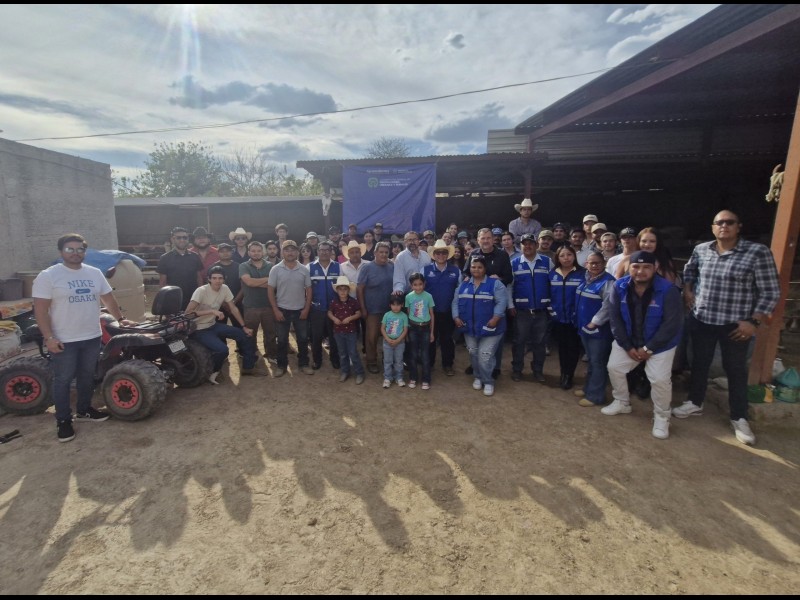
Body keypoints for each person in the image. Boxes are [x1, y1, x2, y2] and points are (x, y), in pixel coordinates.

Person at [672, 210, 780, 445]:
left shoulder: (757, 252)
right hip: (703, 318)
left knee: (735, 370)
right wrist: (688, 291)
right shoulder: (702, 249)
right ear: (713, 227)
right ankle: (695, 402)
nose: (724, 226)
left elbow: (770, 291)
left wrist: (754, 321)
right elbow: (689, 270)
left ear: (738, 226)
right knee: (699, 363)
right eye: (719, 223)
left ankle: (739, 417)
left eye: (729, 222)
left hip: (736, 323)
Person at [33, 233, 128, 442]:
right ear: (61, 251)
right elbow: (40, 310)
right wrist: (49, 337)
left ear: (84, 252)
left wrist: (121, 319)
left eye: (80, 249)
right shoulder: (48, 276)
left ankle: (84, 410)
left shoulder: (94, 273)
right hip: (64, 339)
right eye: (70, 249)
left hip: (92, 336)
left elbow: (108, 298)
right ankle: (63, 420)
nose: (75, 253)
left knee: (87, 376)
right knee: (63, 380)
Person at [601, 251, 683, 439]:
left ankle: (662, 417)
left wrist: (648, 348)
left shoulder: (668, 290)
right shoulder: (619, 286)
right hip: (630, 340)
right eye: (636, 266)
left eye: (646, 267)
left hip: (660, 344)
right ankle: (622, 402)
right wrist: (627, 346)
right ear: (628, 267)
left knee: (659, 380)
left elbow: (672, 324)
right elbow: (615, 319)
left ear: (655, 268)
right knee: (614, 367)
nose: (640, 271)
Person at [186, 266, 260, 385]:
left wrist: (243, 326)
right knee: (222, 350)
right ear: (209, 279)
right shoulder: (201, 291)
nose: (217, 281)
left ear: (224, 279)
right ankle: (213, 371)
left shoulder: (224, 288)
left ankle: (248, 367)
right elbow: (188, 314)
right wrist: (212, 311)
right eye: (214, 278)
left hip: (212, 325)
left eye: (220, 278)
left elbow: (233, 308)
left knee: (244, 334)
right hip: (199, 329)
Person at [453, 255, 507, 397]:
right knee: (473, 353)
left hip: (492, 328)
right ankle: (478, 376)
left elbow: (502, 302)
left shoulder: (495, 284)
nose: (476, 269)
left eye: (479, 267)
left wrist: (496, 317)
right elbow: (455, 302)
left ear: (485, 268)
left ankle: (488, 381)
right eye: (473, 267)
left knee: (485, 355)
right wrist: (456, 317)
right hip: (469, 327)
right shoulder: (463, 284)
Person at [463, 227, 513, 378]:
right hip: (476, 301)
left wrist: (500, 279)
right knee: (475, 333)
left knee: (495, 334)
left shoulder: (502, 255)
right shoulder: (473, 253)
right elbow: (465, 272)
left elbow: (509, 278)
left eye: (488, 238)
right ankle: (476, 364)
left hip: (495, 301)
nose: (485, 241)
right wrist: (466, 277)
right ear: (478, 240)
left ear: (493, 239)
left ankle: (495, 367)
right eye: (482, 238)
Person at [508, 233, 553, 383]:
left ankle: (538, 371)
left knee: (539, 343)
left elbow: (553, 284)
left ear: (536, 245)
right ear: (520, 246)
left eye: (531, 243)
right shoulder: (514, 263)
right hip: (522, 311)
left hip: (542, 311)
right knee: (519, 342)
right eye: (524, 244)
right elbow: (509, 287)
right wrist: (510, 305)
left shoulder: (547, 262)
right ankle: (517, 370)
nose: (527, 246)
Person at [574, 251, 615, 407]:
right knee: (591, 360)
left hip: (599, 331)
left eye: (598, 263)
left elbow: (609, 306)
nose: (594, 266)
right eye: (591, 263)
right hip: (584, 328)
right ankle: (588, 389)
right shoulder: (585, 279)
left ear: (604, 264)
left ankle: (595, 396)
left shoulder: (608, 281)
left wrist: (595, 322)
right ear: (586, 264)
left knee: (598, 362)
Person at [267, 240, 314, 377]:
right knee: (282, 340)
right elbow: (270, 290)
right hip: (282, 310)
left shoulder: (304, 269)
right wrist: (275, 310)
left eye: (293, 249)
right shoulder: (275, 269)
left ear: (297, 252)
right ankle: (281, 365)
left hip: (300, 310)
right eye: (287, 250)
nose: (290, 252)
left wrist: (306, 309)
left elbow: (309, 290)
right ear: (282, 252)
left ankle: (304, 364)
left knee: (303, 339)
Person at [549, 245, 585, 389]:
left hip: (575, 318)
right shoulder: (552, 273)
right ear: (557, 258)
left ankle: (569, 375)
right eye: (562, 255)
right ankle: (564, 373)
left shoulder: (583, 273)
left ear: (574, 256)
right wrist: (552, 311)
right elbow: (549, 294)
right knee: (562, 347)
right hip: (558, 318)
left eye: (569, 255)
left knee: (573, 347)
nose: (566, 258)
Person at [424, 240, 461, 376]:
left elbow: (460, 292)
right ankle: (429, 364)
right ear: (434, 255)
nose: (441, 255)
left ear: (448, 254)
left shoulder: (456, 271)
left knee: (447, 339)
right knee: (430, 339)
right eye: (438, 253)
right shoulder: (425, 270)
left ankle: (448, 364)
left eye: (444, 252)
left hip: (448, 311)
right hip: (430, 312)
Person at [358, 242, 394, 374]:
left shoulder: (392, 266)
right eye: (381, 252)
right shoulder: (367, 268)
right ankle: (371, 361)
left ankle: (387, 359)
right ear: (375, 253)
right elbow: (360, 289)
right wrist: (363, 308)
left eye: (386, 252)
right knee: (371, 337)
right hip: (372, 309)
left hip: (390, 310)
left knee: (389, 335)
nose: (384, 254)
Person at [239, 240, 278, 364]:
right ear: (249, 252)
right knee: (251, 333)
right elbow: (249, 282)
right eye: (253, 251)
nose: (256, 253)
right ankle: (252, 355)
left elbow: (274, 284)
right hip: (250, 306)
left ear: (263, 252)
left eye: (259, 251)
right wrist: (267, 280)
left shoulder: (271, 266)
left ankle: (271, 354)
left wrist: (255, 282)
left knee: (270, 333)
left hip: (268, 305)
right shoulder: (243, 266)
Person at [309, 241, 341, 370]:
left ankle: (335, 359)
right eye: (322, 250)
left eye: (327, 250)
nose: (324, 252)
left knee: (334, 337)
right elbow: (306, 289)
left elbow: (343, 287)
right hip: (316, 309)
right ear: (317, 251)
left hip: (334, 309)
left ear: (331, 251)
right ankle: (317, 360)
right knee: (316, 337)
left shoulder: (338, 267)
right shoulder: (309, 267)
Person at [327, 276, 364, 384]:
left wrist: (350, 318)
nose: (342, 291)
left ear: (348, 290)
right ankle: (345, 371)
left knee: (353, 352)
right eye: (340, 289)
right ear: (337, 290)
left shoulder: (353, 302)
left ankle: (359, 372)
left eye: (345, 289)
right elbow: (329, 312)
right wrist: (334, 319)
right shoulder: (334, 302)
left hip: (351, 331)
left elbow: (359, 313)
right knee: (342, 353)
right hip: (338, 331)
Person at [157, 226, 204, 310]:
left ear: (188, 239)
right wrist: (164, 302)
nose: (182, 240)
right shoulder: (165, 258)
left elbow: (199, 278)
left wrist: (201, 297)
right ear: (172, 239)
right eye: (178, 237)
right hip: (173, 300)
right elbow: (162, 283)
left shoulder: (195, 256)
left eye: (185, 237)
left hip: (193, 300)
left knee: (192, 318)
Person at [405, 272, 435, 390]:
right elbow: (408, 314)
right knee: (412, 354)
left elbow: (432, 315)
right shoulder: (408, 297)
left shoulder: (428, 296)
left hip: (426, 328)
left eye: (420, 284)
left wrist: (432, 332)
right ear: (411, 285)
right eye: (415, 285)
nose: (418, 287)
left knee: (425, 355)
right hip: (413, 328)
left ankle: (426, 379)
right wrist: (407, 331)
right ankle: (413, 377)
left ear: (424, 284)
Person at [381, 295, 409, 388]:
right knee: (387, 361)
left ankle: (399, 377)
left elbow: (405, 330)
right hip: (387, 342)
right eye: (393, 305)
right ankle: (387, 378)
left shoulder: (404, 316)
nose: (395, 307)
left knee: (399, 361)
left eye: (398, 305)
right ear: (390, 305)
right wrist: (387, 338)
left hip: (400, 343)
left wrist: (398, 340)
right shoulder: (387, 315)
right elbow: (382, 328)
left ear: (402, 305)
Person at [392, 231, 432, 296]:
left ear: (418, 241)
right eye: (409, 240)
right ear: (405, 242)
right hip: (408, 296)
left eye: (415, 239)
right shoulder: (400, 257)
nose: (412, 242)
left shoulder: (426, 256)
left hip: (425, 295)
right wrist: (398, 290)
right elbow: (399, 278)